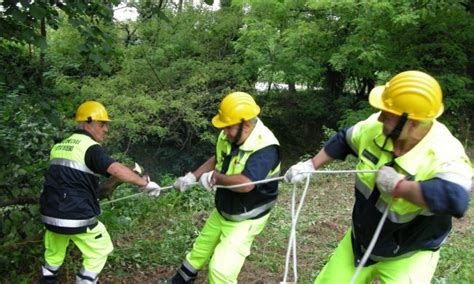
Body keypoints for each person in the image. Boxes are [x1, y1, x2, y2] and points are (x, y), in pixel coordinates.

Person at [285, 70, 472, 283]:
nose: (381, 117)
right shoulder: (376, 128)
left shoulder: (444, 153)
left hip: (409, 254)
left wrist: (398, 187)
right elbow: (343, 140)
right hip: (359, 243)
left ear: (413, 123)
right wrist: (310, 165)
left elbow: (455, 198)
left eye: (388, 114)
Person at [39, 101, 161, 284]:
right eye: (102, 124)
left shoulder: (60, 146)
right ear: (87, 123)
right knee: (101, 248)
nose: (106, 129)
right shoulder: (90, 148)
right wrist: (144, 183)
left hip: (50, 215)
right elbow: (117, 170)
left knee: (53, 257)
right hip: (76, 214)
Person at [168, 92, 281, 283]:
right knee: (199, 251)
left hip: (247, 217)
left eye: (228, 128)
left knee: (221, 271)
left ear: (246, 124)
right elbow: (218, 158)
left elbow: (246, 184)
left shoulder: (266, 148)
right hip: (223, 210)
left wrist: (215, 178)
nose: (224, 132)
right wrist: (192, 177)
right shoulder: (230, 135)